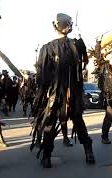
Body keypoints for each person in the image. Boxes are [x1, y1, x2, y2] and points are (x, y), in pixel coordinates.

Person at [31, 13, 95, 168]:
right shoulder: (73, 45)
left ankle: (47, 157)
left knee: (52, 123)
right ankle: (88, 153)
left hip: (62, 93)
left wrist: (40, 96)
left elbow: (42, 76)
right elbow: (85, 62)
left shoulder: (54, 47)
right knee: (75, 122)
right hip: (65, 93)